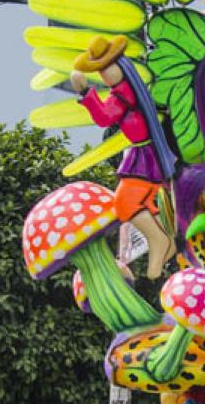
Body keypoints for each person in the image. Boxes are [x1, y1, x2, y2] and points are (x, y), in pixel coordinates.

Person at [71, 35, 176, 278]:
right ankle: (166, 242)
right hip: (144, 153)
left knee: (124, 203)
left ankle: (158, 239)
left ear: (121, 66)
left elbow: (105, 117)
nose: (105, 75)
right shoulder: (126, 90)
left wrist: (86, 92)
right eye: (100, 71)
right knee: (148, 204)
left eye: (107, 68)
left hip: (144, 157)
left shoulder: (123, 93)